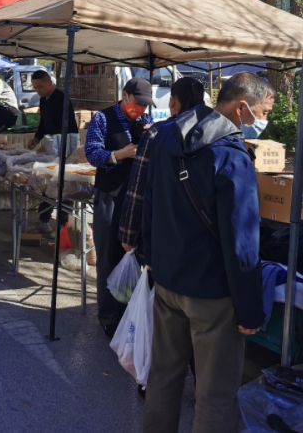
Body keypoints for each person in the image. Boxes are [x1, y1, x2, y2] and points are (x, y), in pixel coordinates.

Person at [142, 72, 275, 433]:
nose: (262, 121)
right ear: (242, 107)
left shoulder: (167, 134)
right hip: (212, 293)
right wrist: (250, 308)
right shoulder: (231, 155)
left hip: (168, 280)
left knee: (163, 377)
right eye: (263, 113)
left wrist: (151, 259)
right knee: (215, 394)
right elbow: (242, 239)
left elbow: (149, 202)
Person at [85, 76, 154, 337]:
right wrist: (118, 155)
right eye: (137, 103)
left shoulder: (146, 121)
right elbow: (92, 153)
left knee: (137, 255)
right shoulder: (102, 119)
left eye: (145, 105)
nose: (140, 109)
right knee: (108, 256)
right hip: (110, 196)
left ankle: (132, 312)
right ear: (125, 96)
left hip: (138, 197)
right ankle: (109, 317)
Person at [119, 76, 206, 255]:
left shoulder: (155, 133)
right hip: (204, 231)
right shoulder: (215, 132)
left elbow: (138, 189)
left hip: (163, 230)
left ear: (172, 101)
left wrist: (128, 233)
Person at [27, 70, 78, 234]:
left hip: (65, 147)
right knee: (49, 184)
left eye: (40, 86)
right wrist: (37, 138)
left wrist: (51, 143)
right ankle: (43, 220)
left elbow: (65, 126)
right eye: (35, 87)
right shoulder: (43, 100)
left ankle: (64, 227)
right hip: (52, 148)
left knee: (65, 186)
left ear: (50, 83)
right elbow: (44, 123)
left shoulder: (61, 99)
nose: (38, 90)